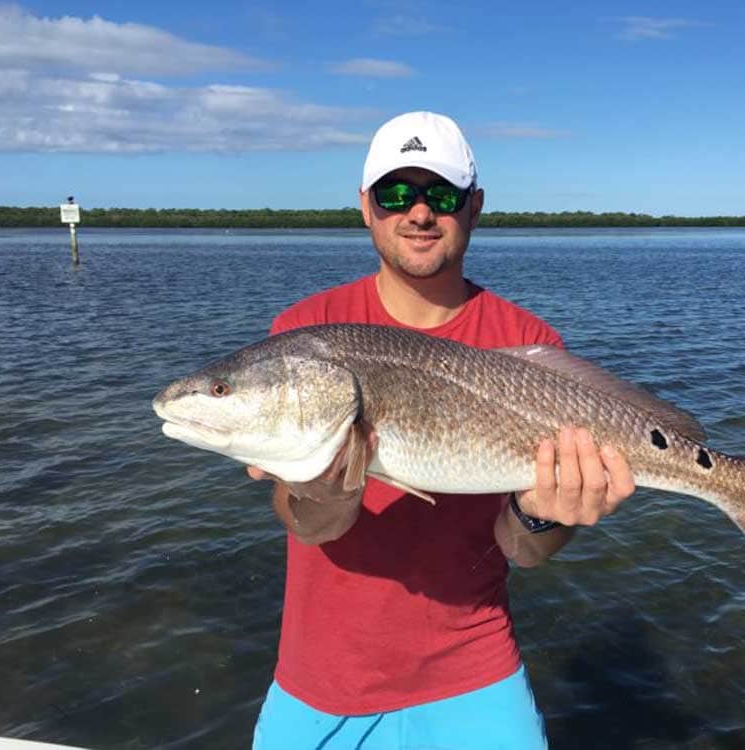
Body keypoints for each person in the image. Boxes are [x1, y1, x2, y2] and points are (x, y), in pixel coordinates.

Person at [249, 111, 636, 750]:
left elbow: (525, 551)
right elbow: (310, 526)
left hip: (474, 674)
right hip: (318, 680)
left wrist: (544, 516)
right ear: (365, 207)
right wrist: (323, 489)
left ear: (475, 207)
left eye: (442, 195)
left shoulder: (529, 345)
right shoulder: (306, 332)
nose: (419, 213)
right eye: (396, 193)